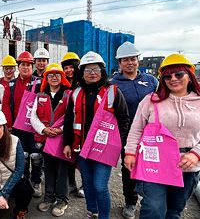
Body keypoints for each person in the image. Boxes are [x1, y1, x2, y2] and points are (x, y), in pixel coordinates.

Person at [124, 54, 200, 219]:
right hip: (155, 163)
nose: (173, 79)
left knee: (174, 210)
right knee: (154, 208)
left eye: (178, 74)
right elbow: (136, 128)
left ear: (189, 75)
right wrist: (130, 153)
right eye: (167, 76)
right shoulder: (151, 100)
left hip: (188, 166)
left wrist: (196, 154)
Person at [62, 51, 130, 219]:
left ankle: (103, 216)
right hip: (81, 147)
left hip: (103, 150)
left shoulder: (113, 92)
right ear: (82, 73)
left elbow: (124, 119)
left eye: (96, 69)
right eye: (87, 70)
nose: (92, 73)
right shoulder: (75, 93)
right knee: (87, 183)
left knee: (100, 186)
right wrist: (67, 143)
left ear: (102, 71)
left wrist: (117, 143)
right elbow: (69, 120)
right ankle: (92, 211)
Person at [110, 41, 158, 219]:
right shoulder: (113, 84)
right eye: (125, 60)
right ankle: (130, 201)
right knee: (129, 168)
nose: (130, 62)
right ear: (119, 63)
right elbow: (108, 111)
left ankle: (151, 200)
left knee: (152, 167)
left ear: (138, 60)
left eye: (133, 59)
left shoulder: (151, 81)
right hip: (126, 135)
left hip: (152, 136)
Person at [30, 63, 72, 217]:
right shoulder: (40, 95)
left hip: (62, 139)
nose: (54, 77)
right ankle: (49, 197)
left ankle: (62, 200)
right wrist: (43, 129)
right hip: (46, 137)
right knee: (48, 169)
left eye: (57, 75)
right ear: (46, 77)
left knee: (62, 170)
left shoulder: (69, 94)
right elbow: (33, 116)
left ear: (62, 77)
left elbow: (72, 116)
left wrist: (61, 130)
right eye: (50, 75)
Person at [0, 109, 33, 219]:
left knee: (26, 190)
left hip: (11, 180)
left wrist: (4, 193)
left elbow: (19, 169)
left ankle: (20, 211)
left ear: (4, 127)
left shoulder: (15, 141)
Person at [2, 51, 43, 198]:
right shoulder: (11, 85)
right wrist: (9, 125)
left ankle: (36, 181)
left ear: (32, 66)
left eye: (29, 65)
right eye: (23, 64)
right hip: (18, 128)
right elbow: (6, 105)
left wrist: (42, 126)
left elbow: (44, 104)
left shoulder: (39, 82)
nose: (26, 67)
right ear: (18, 67)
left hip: (35, 128)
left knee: (36, 155)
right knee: (22, 156)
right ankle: (24, 181)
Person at [60, 52, 85, 198]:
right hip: (67, 124)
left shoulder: (82, 82)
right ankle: (71, 183)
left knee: (82, 156)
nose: (68, 70)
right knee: (68, 155)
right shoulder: (63, 83)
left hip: (81, 124)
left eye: (71, 67)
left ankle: (85, 184)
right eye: (66, 68)